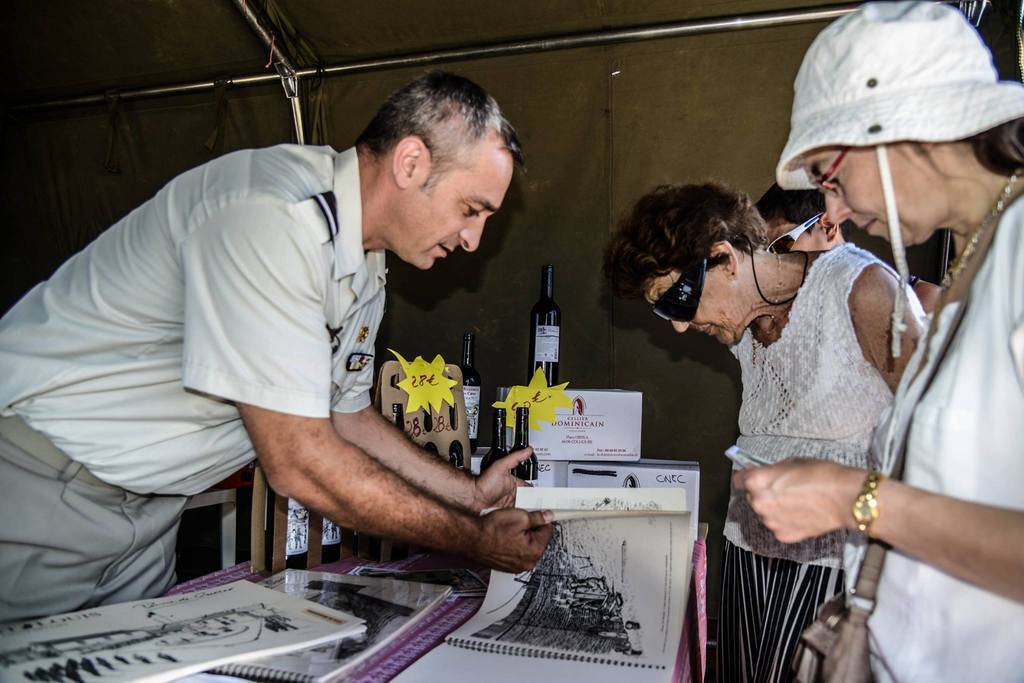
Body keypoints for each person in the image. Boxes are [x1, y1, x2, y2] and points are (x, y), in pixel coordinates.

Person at [0, 70, 554, 623]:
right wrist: (474, 539)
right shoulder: (272, 215)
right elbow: (300, 462)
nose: (473, 239)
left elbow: (348, 415)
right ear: (410, 164)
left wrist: (470, 494)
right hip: (43, 488)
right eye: (471, 209)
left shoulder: (367, 258)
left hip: (150, 516)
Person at [736, 3, 1024, 680]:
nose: (833, 212)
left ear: (894, 128)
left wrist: (854, 499)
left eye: (832, 180)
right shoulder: (980, 252)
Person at [602, 182, 923, 682]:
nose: (680, 328)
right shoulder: (747, 328)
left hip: (840, 574)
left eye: (677, 302)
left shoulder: (859, 288)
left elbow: (938, 429)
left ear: (726, 259)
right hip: (749, 565)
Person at [756, 183, 943, 312]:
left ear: (829, 226)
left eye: (778, 246)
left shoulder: (923, 302)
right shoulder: (786, 315)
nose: (770, 264)